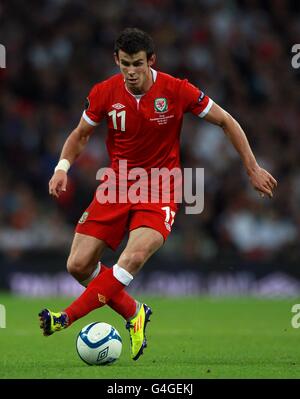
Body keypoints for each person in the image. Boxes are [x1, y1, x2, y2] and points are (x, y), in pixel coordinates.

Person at [39, 28, 277, 361]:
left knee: (132, 258)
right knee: (77, 264)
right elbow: (80, 135)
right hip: (117, 186)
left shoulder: (178, 90)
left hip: (160, 188)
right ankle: (134, 312)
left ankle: (66, 317)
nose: (131, 72)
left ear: (151, 60)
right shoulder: (104, 93)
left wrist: (251, 167)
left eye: (137, 64)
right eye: (125, 65)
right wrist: (61, 167)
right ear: (116, 61)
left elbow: (226, 120)